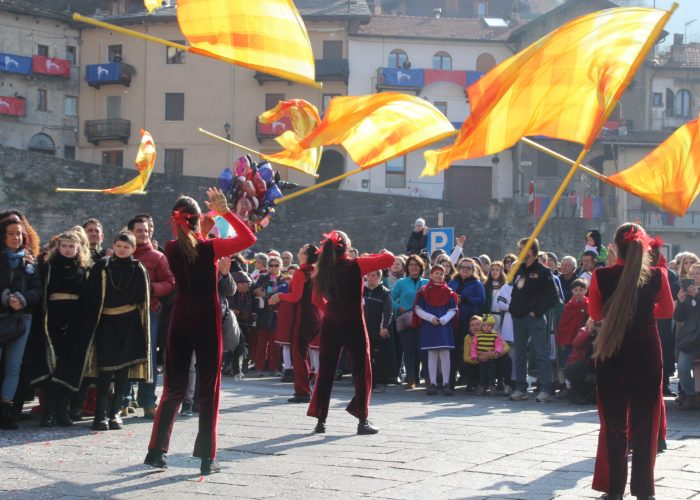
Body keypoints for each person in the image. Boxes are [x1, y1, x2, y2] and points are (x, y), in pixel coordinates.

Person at [146, 188, 256, 475]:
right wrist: (224, 212)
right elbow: (249, 238)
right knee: (209, 389)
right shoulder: (211, 248)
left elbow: (189, 245)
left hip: (180, 316)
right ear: (197, 221)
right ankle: (207, 457)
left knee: (173, 387)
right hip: (206, 317)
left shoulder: (170, 247)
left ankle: (157, 451)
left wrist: (204, 233)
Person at [589, 223, 673, 499]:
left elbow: (597, 314)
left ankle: (614, 491)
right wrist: (645, 308)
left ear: (613, 248)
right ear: (644, 247)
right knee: (645, 427)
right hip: (647, 355)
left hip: (612, 354)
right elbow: (667, 311)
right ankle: (644, 491)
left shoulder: (600, 275)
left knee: (614, 427)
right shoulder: (658, 275)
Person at [307, 230, 394, 435]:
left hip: (331, 322)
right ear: (347, 247)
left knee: (326, 372)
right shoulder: (356, 264)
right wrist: (377, 253)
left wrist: (331, 309)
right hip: (353, 322)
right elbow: (389, 258)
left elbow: (316, 300)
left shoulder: (321, 270)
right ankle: (362, 419)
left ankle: (321, 420)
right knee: (361, 371)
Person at [81, 231, 150, 432]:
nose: (122, 250)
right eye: (119, 246)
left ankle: (115, 413)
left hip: (129, 323)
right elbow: (91, 294)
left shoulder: (138, 269)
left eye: (126, 247)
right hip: (106, 323)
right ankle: (100, 415)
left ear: (133, 249)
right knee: (105, 369)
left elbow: (141, 297)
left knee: (122, 370)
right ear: (114, 245)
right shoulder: (102, 266)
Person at [32, 230, 91, 427]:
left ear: (78, 248)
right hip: (52, 321)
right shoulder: (48, 267)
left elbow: (87, 299)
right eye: (64, 246)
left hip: (75, 322)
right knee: (52, 368)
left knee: (69, 367)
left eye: (71, 246)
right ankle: (48, 412)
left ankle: (62, 411)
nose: (67, 250)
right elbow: (43, 294)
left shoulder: (83, 269)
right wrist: (50, 321)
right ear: (58, 247)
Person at [128, 217, 175, 419]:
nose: (143, 234)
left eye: (146, 231)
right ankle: (124, 399)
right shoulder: (123, 252)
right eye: (139, 231)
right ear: (131, 231)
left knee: (149, 357)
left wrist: (150, 289)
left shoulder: (158, 257)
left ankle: (148, 401)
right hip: (124, 313)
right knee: (125, 357)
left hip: (149, 311)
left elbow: (170, 282)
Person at [0, 214, 42, 430]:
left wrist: (23, 299)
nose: (15, 237)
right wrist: (5, 297)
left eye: (19, 233)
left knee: (13, 366)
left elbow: (37, 289)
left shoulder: (29, 261)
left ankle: (6, 408)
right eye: (11, 234)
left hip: (21, 319)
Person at [508, 237, 560, 403]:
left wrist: (536, 311)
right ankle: (521, 388)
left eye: (521, 249)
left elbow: (553, 297)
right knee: (519, 355)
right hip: (518, 318)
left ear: (530, 251)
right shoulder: (520, 270)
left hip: (534, 319)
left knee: (540, 353)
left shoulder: (543, 272)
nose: (518, 252)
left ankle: (546, 388)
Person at [269, 244, 322, 403]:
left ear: (305, 255)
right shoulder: (314, 270)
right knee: (303, 353)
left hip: (303, 316)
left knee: (298, 354)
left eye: (302, 249)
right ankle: (306, 385)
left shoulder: (301, 271)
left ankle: (303, 391)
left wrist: (279, 296)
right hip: (314, 315)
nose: (299, 250)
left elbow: (295, 297)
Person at [413, 264, 458, 396]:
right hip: (429, 326)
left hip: (444, 326)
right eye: (436, 273)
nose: (439, 276)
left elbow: (453, 309)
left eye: (441, 274)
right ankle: (432, 383)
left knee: (445, 354)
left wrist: (444, 319)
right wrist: (430, 318)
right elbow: (418, 309)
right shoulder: (424, 291)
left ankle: (446, 384)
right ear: (431, 275)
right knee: (432, 354)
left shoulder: (448, 291)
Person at [448, 257, 486, 388]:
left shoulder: (477, 284)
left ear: (473, 270)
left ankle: (472, 380)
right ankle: (450, 380)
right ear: (458, 268)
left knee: (470, 350)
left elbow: (481, 300)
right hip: (453, 321)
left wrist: (465, 299)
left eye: (468, 268)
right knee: (453, 351)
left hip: (469, 322)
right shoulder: (453, 282)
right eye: (462, 267)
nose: (465, 270)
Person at [391, 255, 428, 388]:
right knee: (409, 350)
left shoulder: (426, 283)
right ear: (407, 267)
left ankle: (427, 378)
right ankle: (411, 378)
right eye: (411, 265)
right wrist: (398, 307)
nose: (414, 267)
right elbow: (390, 297)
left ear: (421, 267)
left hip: (423, 320)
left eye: (417, 265)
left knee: (423, 350)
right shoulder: (401, 282)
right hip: (406, 320)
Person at [555, 279, 589, 399]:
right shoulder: (568, 306)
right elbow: (564, 325)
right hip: (568, 341)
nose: (578, 292)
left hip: (582, 341)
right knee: (567, 364)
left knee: (578, 364)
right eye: (575, 290)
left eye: (581, 290)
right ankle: (568, 388)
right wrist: (562, 340)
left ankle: (578, 389)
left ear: (586, 290)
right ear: (571, 291)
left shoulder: (588, 305)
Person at [362, 269, 394, 393]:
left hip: (377, 331)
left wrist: (384, 327)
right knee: (364, 357)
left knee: (378, 357)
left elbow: (388, 312)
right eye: (368, 275)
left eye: (373, 275)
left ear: (379, 278)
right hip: (362, 330)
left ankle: (380, 382)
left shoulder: (385, 293)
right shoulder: (360, 290)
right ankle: (366, 382)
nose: (370, 277)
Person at [673, 262, 700, 410]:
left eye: (698, 273)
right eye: (693, 274)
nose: (695, 276)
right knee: (682, 368)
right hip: (690, 340)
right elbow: (678, 318)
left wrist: (698, 296)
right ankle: (690, 394)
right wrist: (681, 303)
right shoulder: (686, 295)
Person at [252, 255, 283, 376]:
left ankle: (274, 368)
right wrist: (260, 292)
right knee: (261, 343)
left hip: (277, 314)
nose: (273, 268)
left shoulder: (284, 279)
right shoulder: (263, 278)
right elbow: (254, 290)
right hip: (264, 313)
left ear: (280, 266)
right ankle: (259, 367)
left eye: (276, 265)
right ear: (268, 266)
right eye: (271, 265)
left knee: (275, 344)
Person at [470, 314, 506, 396]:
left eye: (489, 326)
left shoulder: (495, 335)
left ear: (492, 326)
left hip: (491, 359)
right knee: (482, 373)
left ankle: (492, 387)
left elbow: (499, 344)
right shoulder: (478, 335)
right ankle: (483, 386)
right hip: (481, 359)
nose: (486, 327)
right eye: (484, 325)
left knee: (491, 373)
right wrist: (474, 356)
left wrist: (497, 352)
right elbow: (473, 346)